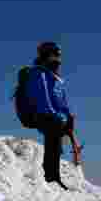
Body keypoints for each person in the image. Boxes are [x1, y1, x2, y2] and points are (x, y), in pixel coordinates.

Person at [26, 41, 74, 190]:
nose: (59, 58)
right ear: (47, 54)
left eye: (59, 55)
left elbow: (62, 100)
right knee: (53, 140)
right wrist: (55, 116)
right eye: (55, 54)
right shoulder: (39, 73)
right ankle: (50, 176)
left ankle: (54, 176)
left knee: (56, 144)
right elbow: (43, 98)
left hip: (56, 117)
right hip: (43, 115)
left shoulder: (55, 76)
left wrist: (68, 117)